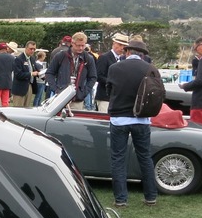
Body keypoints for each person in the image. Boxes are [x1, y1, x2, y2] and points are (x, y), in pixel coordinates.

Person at [106, 39, 158, 207]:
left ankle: (121, 199)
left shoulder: (115, 68)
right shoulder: (150, 69)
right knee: (145, 157)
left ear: (127, 51)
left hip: (119, 118)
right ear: (142, 54)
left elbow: (109, 91)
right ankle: (151, 196)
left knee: (118, 158)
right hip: (142, 119)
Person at [45, 31, 97, 109]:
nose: (81, 48)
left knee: (75, 120)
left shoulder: (88, 58)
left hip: (78, 99)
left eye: (83, 45)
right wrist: (56, 89)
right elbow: (49, 73)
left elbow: (93, 77)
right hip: (61, 97)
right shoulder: (61, 56)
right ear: (72, 43)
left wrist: (84, 92)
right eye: (78, 45)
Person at [93, 33, 128, 112]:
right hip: (104, 97)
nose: (122, 48)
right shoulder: (104, 57)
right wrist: (113, 83)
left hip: (116, 98)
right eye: (120, 45)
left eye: (124, 46)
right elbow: (98, 76)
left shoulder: (123, 59)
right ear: (114, 43)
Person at [10, 41, 38, 107]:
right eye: (31, 49)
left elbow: (35, 70)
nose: (32, 51)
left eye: (34, 49)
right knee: (18, 109)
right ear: (26, 48)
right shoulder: (19, 59)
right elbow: (18, 74)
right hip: (20, 89)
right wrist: (31, 74)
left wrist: (40, 73)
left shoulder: (32, 59)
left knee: (27, 109)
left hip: (29, 86)